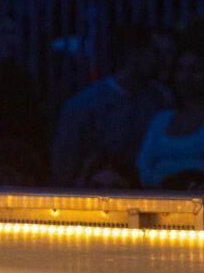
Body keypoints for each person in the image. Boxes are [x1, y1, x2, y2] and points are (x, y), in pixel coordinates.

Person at [51, 24, 171, 186]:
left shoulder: (161, 99)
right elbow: (65, 164)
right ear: (133, 53)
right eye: (155, 52)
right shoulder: (84, 105)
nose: (161, 59)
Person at [135, 32, 204, 189]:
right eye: (181, 69)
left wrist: (162, 169)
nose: (186, 77)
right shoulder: (160, 119)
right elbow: (142, 168)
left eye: (195, 69)